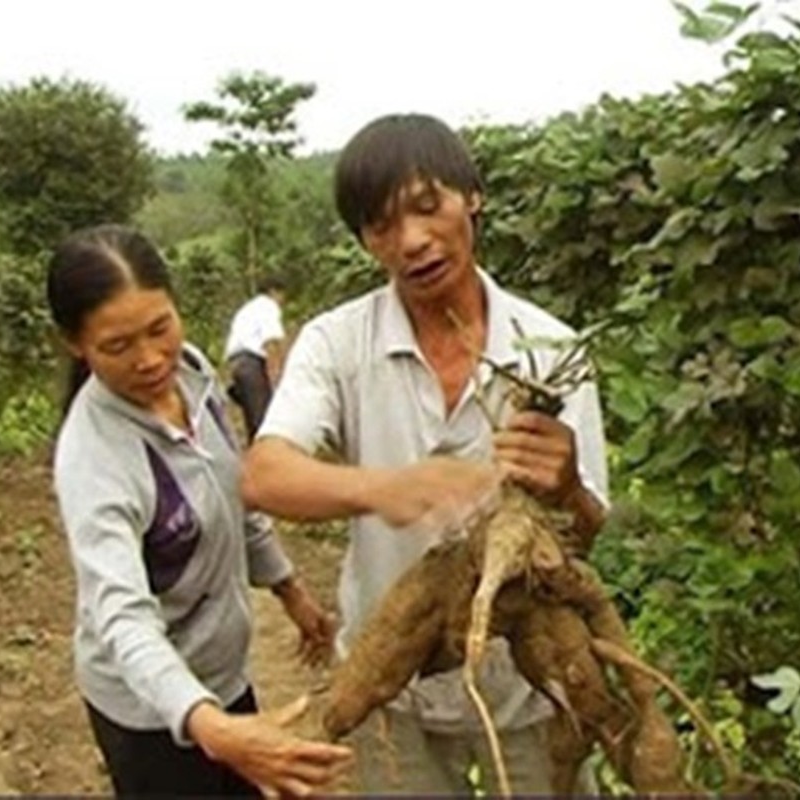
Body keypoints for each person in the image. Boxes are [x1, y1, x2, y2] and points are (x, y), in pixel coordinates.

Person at [242, 113, 608, 795]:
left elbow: (589, 532)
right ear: (365, 241)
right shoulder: (336, 342)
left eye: (427, 206)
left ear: (472, 195)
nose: (411, 240)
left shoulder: (551, 351)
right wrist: (385, 488)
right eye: (381, 226)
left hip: (528, 679)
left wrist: (568, 491)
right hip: (390, 682)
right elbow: (264, 474)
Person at [46, 224, 352, 798]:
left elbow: (232, 493)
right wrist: (209, 727)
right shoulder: (95, 456)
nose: (149, 359)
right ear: (74, 343)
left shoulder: (194, 375)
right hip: (150, 710)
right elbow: (120, 615)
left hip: (222, 678)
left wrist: (290, 590)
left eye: (159, 328)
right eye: (117, 346)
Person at [224, 275, 288, 441]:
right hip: (252, 365)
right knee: (265, 422)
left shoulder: (247, 309)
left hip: (237, 365)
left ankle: (256, 459)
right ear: (274, 292)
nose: (282, 301)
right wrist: (276, 376)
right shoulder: (268, 306)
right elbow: (271, 341)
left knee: (253, 421)